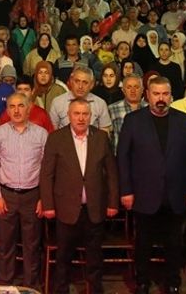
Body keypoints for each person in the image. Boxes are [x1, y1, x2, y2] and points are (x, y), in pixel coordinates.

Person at [117, 77, 186, 294]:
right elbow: (123, 158)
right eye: (156, 94)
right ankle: (142, 282)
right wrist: (126, 190)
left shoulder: (184, 120)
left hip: (177, 194)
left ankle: (173, 282)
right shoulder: (133, 120)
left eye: (165, 94)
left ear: (171, 95)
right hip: (144, 194)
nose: (161, 98)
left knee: (174, 243)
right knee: (143, 243)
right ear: (148, 95)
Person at [40, 98, 119, 294]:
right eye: (77, 114)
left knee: (94, 257)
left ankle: (95, 289)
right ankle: (61, 290)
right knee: (63, 257)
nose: (81, 118)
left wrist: (112, 202)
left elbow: (112, 173)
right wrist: (48, 205)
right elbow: (47, 174)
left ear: (91, 116)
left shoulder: (101, 137)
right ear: (69, 115)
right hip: (65, 208)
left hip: (94, 208)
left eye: (85, 114)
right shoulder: (56, 138)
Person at [0, 92, 48, 288]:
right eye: (12, 106)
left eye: (20, 106)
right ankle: (5, 284)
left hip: (33, 195)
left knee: (32, 245)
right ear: (7, 110)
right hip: (6, 195)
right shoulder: (0, 133)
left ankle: (31, 286)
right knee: (6, 244)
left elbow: (47, 170)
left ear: (29, 108)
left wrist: (43, 198)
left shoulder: (41, 134)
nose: (16, 110)